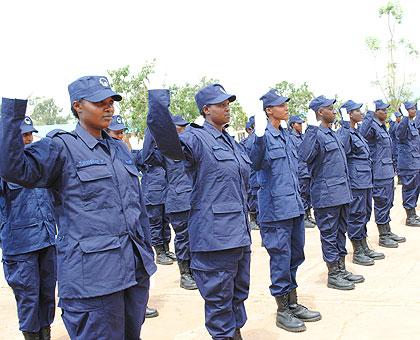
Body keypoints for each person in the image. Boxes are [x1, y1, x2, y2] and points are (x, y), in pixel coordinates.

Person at [0, 75, 157, 340]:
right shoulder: (60, 147)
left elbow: (136, 207)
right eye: (99, 103)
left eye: (111, 102)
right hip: (93, 282)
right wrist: (13, 108)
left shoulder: (119, 149)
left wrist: (147, 253)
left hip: (132, 272)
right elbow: (13, 168)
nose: (109, 108)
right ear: (77, 106)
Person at [147, 84, 251, 340]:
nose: (227, 108)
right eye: (221, 104)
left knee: (238, 296)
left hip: (239, 234)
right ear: (206, 110)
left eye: (228, 103)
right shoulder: (196, 138)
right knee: (219, 301)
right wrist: (159, 102)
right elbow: (168, 143)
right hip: (215, 239)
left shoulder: (231, 143)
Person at [249, 90, 321, 333]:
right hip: (275, 211)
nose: (286, 107)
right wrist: (258, 136)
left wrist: (311, 131)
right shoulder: (263, 136)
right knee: (280, 259)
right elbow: (255, 162)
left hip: (293, 207)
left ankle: (292, 302)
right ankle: (282, 310)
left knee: (295, 257)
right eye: (281, 105)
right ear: (269, 110)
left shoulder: (286, 134)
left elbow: (302, 157)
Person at [0, 116, 56, 340]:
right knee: (28, 297)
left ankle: (46, 333)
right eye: (24, 135)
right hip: (21, 246)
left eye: (30, 134)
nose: (29, 138)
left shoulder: (39, 162)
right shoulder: (3, 165)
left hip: (47, 238)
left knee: (47, 294)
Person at [300, 95, 364, 291]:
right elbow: (305, 156)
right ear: (320, 112)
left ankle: (341, 268)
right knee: (329, 235)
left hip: (342, 193)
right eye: (330, 108)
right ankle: (333, 274)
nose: (334, 111)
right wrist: (310, 130)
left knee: (340, 232)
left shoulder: (333, 133)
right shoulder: (316, 134)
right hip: (326, 196)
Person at [107, 114, 160, 317]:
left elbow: (136, 199)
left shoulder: (123, 151)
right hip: (115, 231)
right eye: (116, 133)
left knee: (141, 270)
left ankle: (140, 304)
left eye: (122, 132)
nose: (120, 136)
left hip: (135, 225)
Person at [337, 101, 385, 266]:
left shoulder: (356, 132)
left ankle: (364, 246)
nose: (361, 113)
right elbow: (343, 151)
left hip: (365, 180)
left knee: (365, 213)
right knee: (356, 215)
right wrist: (344, 126)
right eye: (357, 111)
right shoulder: (345, 133)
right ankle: (357, 250)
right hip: (356, 181)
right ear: (349, 114)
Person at [359, 100, 406, 247]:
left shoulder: (382, 127)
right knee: (381, 203)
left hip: (387, 172)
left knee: (388, 203)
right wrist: (368, 114)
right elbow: (363, 133)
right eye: (382, 110)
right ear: (375, 112)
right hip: (378, 173)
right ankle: (383, 235)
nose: (386, 113)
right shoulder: (371, 125)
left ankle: (387, 230)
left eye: (386, 110)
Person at [163, 114, 197, 290]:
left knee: (197, 236)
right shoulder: (166, 149)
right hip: (178, 201)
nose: (182, 130)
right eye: (179, 127)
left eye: (184, 127)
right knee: (183, 238)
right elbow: (145, 158)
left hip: (195, 199)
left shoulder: (192, 145)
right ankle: (185, 274)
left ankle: (196, 270)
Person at [137, 127, 175, 265]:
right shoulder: (146, 154)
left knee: (165, 223)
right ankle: (159, 252)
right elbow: (142, 160)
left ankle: (166, 248)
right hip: (152, 196)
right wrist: (152, 128)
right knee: (155, 224)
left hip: (165, 194)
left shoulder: (162, 153)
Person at [288, 115, 316, 228]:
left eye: (301, 123)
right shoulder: (291, 138)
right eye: (298, 123)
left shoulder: (303, 136)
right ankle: (304, 217)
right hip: (300, 171)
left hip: (308, 170)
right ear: (292, 125)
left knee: (308, 194)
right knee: (302, 194)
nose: (301, 125)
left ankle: (309, 215)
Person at [396, 102, 420, 226]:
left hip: (415, 163)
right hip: (407, 165)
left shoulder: (412, 124)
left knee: (415, 190)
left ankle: (413, 214)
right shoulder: (402, 125)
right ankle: (409, 217)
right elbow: (400, 133)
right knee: (409, 190)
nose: (414, 110)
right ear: (405, 111)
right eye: (411, 109)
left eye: (415, 108)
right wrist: (404, 117)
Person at [240, 116, 260, 230]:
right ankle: (253, 220)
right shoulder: (247, 142)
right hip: (251, 175)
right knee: (252, 199)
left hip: (256, 176)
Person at [389, 111, 402, 184]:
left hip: (396, 147)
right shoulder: (395, 125)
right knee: (396, 163)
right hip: (395, 148)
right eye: (399, 117)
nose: (400, 118)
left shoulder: (395, 125)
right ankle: (398, 179)